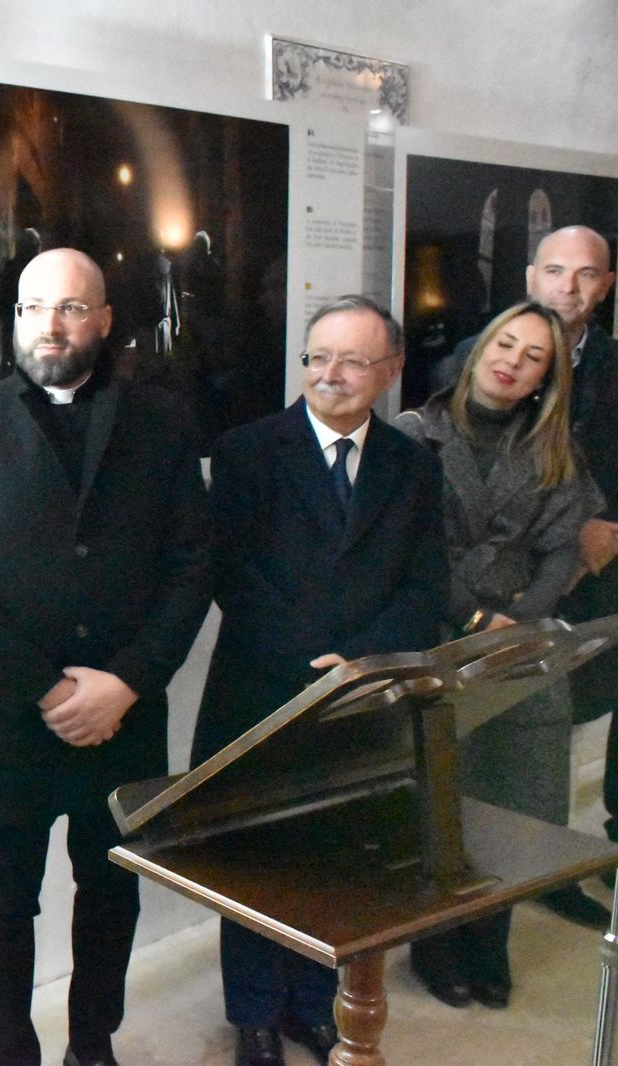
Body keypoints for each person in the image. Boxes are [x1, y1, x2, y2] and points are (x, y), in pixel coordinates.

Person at [0, 248, 211, 1066]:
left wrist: (127, 681)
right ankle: (9, 1056)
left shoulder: (162, 422)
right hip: (12, 716)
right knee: (5, 902)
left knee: (112, 893)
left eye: (71, 307)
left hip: (124, 714)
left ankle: (94, 1047)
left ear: (106, 319)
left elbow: (193, 567)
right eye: (33, 307)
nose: (50, 325)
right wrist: (48, 690)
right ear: (15, 317)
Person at [193, 295, 447, 1066]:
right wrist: (315, 662)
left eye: (352, 360)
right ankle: (255, 1016)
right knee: (256, 857)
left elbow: (425, 585)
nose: (329, 375)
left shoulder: (414, 464)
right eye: (316, 357)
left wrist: (363, 659)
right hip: (261, 689)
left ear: (392, 371)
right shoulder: (248, 451)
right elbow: (228, 576)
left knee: (339, 855)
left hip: (363, 695)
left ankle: (312, 1002)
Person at [396, 300, 604, 1011]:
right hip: (439, 632)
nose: (512, 360)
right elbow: (412, 549)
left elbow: (562, 551)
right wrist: (479, 615)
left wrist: (521, 620)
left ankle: (491, 939)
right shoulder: (413, 434)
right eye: (505, 344)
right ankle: (437, 943)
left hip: (523, 642)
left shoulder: (553, 449)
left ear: (546, 377)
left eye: (533, 356)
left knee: (516, 804)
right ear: (480, 348)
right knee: (443, 803)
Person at [432, 225, 618, 929]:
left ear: (605, 286)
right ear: (531, 276)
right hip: (466, 608)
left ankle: (541, 873)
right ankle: (454, 927)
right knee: (464, 766)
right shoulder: (456, 380)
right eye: (555, 270)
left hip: (572, 577)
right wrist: (483, 615)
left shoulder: (607, 372)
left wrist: (599, 528)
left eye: (587, 274)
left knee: (546, 742)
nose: (569, 287)